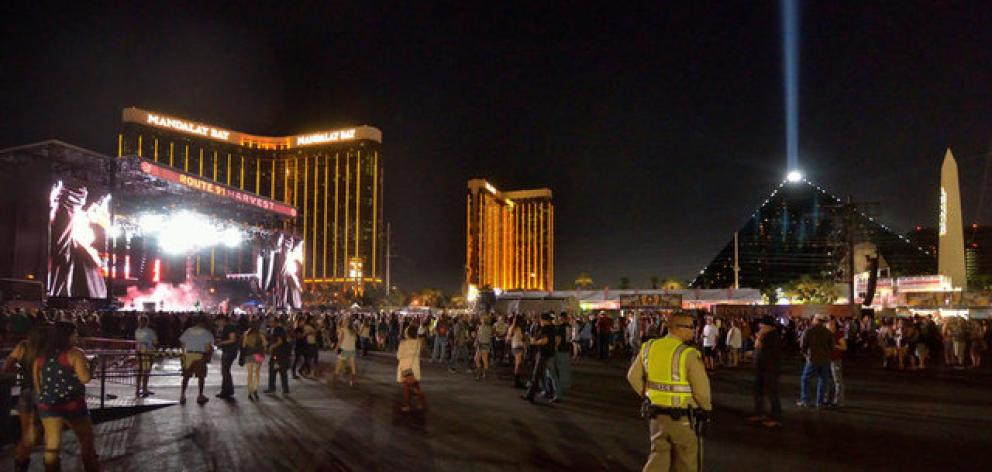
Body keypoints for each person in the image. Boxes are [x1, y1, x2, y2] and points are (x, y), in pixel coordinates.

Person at [626, 313, 712, 472]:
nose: (694, 331)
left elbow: (632, 376)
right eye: (691, 327)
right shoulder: (688, 354)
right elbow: (702, 391)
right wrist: (706, 409)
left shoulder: (649, 347)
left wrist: (647, 394)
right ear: (678, 328)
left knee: (658, 455)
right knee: (686, 459)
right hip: (682, 417)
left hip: (656, 415)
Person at [33, 321, 99, 472]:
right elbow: (85, 378)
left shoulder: (41, 355)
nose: (77, 336)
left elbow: (37, 384)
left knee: (52, 445)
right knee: (86, 442)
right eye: (75, 333)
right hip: (72, 404)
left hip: (48, 405)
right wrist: (93, 366)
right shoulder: (75, 353)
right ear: (67, 336)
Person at [4, 324, 45, 472]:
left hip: (26, 391)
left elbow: (7, 367)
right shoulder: (48, 349)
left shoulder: (23, 346)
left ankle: (20, 464)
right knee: (42, 432)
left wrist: (22, 370)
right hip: (43, 393)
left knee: (27, 433)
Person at [748, 316, 782, 428]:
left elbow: (759, 345)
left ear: (767, 325)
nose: (760, 327)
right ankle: (760, 413)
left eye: (762, 325)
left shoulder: (771, 336)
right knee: (758, 391)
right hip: (762, 369)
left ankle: (775, 418)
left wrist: (759, 337)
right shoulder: (766, 335)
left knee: (772, 394)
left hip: (769, 369)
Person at [797, 313, 834, 409]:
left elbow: (802, 346)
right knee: (823, 380)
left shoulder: (808, 331)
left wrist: (806, 355)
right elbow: (832, 347)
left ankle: (805, 401)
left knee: (805, 379)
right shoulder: (828, 332)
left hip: (812, 359)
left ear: (815, 320)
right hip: (825, 360)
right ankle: (819, 403)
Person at [521, 313, 558, 404]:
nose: (540, 322)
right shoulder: (553, 328)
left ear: (544, 320)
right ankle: (553, 393)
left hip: (543, 354)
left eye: (541, 320)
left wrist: (535, 343)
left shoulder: (545, 328)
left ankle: (530, 395)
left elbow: (545, 340)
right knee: (550, 375)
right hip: (550, 353)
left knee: (536, 375)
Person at [179, 316, 214, 405]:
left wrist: (184, 355)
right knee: (201, 377)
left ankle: (182, 395)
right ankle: (200, 395)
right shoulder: (206, 333)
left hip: (189, 356)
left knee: (186, 377)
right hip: (200, 356)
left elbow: (182, 344)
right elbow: (207, 348)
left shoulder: (188, 331)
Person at [396, 326, 426, 411]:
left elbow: (399, 356)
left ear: (407, 333)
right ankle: (420, 402)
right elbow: (418, 353)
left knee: (406, 387)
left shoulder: (403, 343)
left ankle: (407, 405)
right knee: (416, 385)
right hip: (414, 367)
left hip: (405, 367)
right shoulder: (418, 343)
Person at [264, 317, 291, 395]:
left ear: (276, 322)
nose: (270, 323)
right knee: (277, 371)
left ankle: (275, 388)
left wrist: (272, 346)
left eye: (271, 322)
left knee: (277, 371)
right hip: (277, 355)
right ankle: (282, 389)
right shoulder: (274, 330)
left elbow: (280, 341)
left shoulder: (278, 330)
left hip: (279, 355)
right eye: (269, 321)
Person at [215, 315, 239, 399]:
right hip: (228, 351)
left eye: (218, 321)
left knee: (225, 371)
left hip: (229, 352)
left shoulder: (229, 327)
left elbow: (233, 339)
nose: (217, 323)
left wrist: (221, 343)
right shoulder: (228, 327)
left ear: (222, 320)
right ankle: (228, 390)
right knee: (225, 371)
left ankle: (226, 391)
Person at [241, 321, 266, 400]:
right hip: (258, 355)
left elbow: (243, 345)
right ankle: (255, 389)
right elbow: (265, 344)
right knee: (257, 373)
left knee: (250, 374)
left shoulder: (246, 334)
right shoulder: (261, 335)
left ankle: (249, 391)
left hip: (249, 354)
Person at [133, 315, 158, 398]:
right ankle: (144, 389)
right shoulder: (150, 331)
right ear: (147, 322)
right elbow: (155, 342)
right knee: (146, 372)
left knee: (139, 372)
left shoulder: (137, 331)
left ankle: (137, 389)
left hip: (138, 352)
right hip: (147, 353)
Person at [826, 318, 846, 408]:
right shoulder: (827, 335)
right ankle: (828, 399)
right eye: (829, 324)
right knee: (829, 381)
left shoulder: (838, 335)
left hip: (835, 360)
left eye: (831, 324)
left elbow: (844, 347)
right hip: (828, 360)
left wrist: (835, 346)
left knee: (837, 381)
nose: (829, 326)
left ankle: (838, 401)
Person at [332, 317, 358, 386]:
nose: (342, 322)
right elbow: (355, 340)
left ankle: (334, 381)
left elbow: (340, 340)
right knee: (353, 367)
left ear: (346, 322)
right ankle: (352, 381)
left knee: (338, 366)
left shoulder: (342, 330)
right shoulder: (354, 330)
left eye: (343, 321)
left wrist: (336, 348)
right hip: (352, 349)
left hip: (344, 349)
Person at [509, 315, 527, 388]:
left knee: (519, 365)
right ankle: (516, 382)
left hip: (520, 347)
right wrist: (514, 322)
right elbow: (510, 333)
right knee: (518, 365)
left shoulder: (519, 328)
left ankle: (518, 381)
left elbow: (522, 338)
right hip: (516, 348)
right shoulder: (512, 328)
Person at [474, 315, 493, 380]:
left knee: (479, 359)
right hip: (484, 345)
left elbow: (479, 336)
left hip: (482, 344)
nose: (480, 320)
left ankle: (480, 374)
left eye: (482, 319)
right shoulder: (489, 327)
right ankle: (483, 374)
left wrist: (476, 339)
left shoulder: (483, 327)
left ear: (484, 320)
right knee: (481, 360)